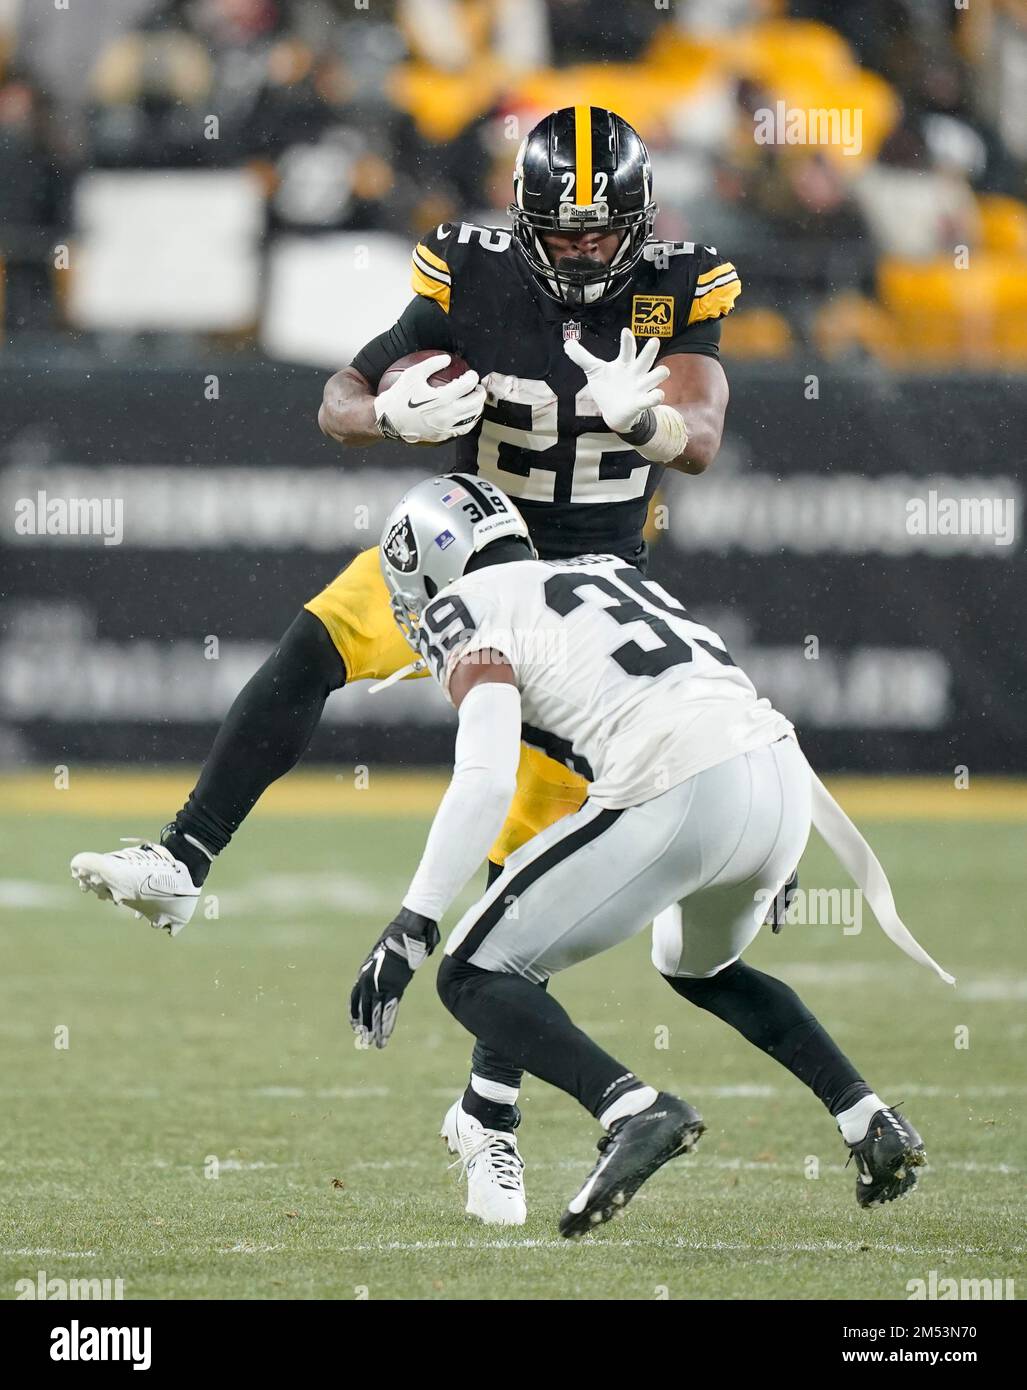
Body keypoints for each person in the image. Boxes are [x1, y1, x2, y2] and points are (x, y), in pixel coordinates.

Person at [71, 105, 741, 1225]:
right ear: (522, 222)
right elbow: (334, 398)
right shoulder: (469, 267)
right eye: (560, 233)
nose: (579, 253)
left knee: (518, 882)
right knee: (312, 645)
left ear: (636, 223)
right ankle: (184, 859)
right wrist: (385, 411)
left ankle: (486, 1113)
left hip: (584, 592)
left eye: (598, 234)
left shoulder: (683, 281)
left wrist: (658, 428)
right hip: (468, 537)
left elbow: (706, 430)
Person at [350, 472, 952, 1236]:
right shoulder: (608, 571)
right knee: (698, 965)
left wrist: (413, 923)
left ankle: (633, 1108)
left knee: (471, 971)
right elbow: (706, 685)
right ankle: (866, 1119)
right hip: (775, 772)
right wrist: (773, 832)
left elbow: (485, 775)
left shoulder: (465, 606)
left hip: (682, 782)